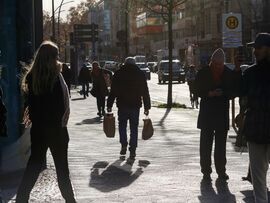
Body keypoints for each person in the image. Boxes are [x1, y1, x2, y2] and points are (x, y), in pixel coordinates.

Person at [16, 41, 76, 203]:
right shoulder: (56, 78)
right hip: (57, 131)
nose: (58, 59)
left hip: (39, 131)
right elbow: (61, 106)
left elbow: (31, 106)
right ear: (51, 58)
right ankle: (71, 201)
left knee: (33, 168)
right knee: (63, 172)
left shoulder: (31, 77)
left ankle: (21, 199)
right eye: (56, 56)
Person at [195, 48, 241, 181]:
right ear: (211, 62)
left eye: (220, 65)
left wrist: (224, 94)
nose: (217, 67)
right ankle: (206, 170)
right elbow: (196, 89)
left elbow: (234, 91)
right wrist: (208, 93)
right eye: (215, 64)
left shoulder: (227, 73)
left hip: (221, 113)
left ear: (223, 63)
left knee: (221, 146)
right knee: (205, 145)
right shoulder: (203, 72)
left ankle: (221, 171)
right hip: (207, 113)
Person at [239, 33, 270, 203]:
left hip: (257, 127)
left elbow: (243, 98)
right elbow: (242, 98)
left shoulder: (250, 74)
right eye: (254, 48)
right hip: (255, 129)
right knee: (258, 177)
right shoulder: (249, 73)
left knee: (259, 177)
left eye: (259, 48)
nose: (255, 51)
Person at [107, 57, 151, 160]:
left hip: (122, 104)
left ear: (125, 64)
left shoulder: (118, 73)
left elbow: (113, 91)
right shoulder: (140, 74)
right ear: (134, 64)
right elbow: (145, 91)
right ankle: (133, 150)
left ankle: (123, 144)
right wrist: (147, 106)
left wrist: (109, 104)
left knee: (122, 125)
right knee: (134, 127)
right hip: (135, 105)